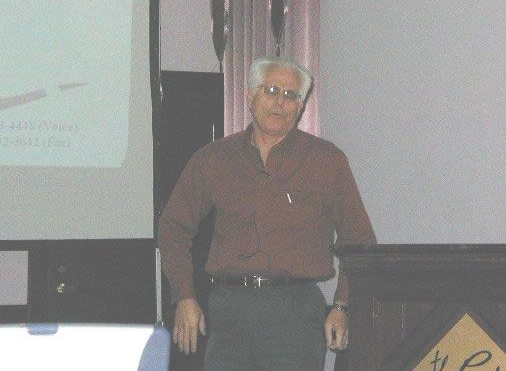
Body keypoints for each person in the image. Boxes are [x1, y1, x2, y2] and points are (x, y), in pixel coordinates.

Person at [158, 55, 376, 371]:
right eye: (271, 90)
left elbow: (359, 240)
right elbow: (173, 228)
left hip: (295, 313)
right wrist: (184, 297)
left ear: (300, 106)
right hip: (229, 312)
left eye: (291, 95)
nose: (280, 102)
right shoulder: (214, 159)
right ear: (250, 96)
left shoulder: (326, 160)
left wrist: (342, 305)